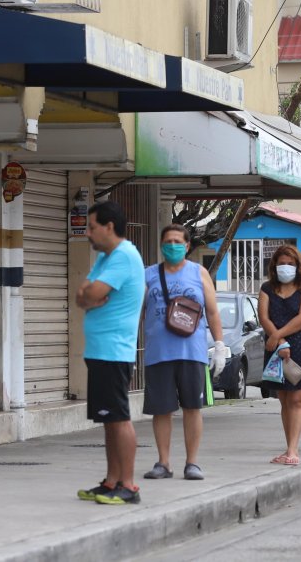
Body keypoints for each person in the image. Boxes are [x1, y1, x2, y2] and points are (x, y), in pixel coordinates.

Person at [140, 224, 227, 481]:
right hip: (158, 353)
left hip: (192, 352)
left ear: (187, 246)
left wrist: (220, 345)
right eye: (168, 241)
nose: (173, 246)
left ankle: (192, 463)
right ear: (161, 245)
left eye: (178, 242)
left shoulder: (199, 273)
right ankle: (163, 463)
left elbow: (212, 312)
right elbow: (137, 311)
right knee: (161, 409)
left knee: (192, 407)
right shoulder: (149, 275)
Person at [75, 201, 146, 506]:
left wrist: (89, 295)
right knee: (108, 419)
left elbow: (89, 294)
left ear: (109, 227)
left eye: (92, 227)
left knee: (119, 418)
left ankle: (128, 485)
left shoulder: (124, 256)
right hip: (100, 350)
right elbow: (82, 296)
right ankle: (111, 481)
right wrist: (88, 295)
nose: (88, 233)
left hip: (114, 351)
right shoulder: (106, 258)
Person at [258, 245, 301, 466]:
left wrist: (279, 336)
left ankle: (294, 450)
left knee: (296, 399)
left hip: (300, 345)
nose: (285, 267)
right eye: (281, 263)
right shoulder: (267, 288)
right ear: (274, 265)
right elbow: (263, 317)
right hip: (276, 346)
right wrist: (278, 340)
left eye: (290, 264)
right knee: (284, 399)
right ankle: (288, 447)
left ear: (298, 265)